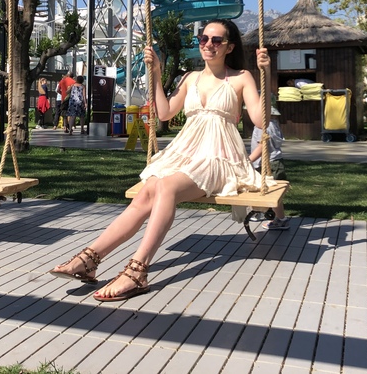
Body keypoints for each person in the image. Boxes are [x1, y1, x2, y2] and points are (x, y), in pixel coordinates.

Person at [49, 18, 272, 302]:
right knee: (148, 191)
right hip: (186, 152)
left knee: (166, 187)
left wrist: (265, 75)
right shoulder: (190, 78)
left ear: (229, 47)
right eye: (203, 39)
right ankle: (91, 258)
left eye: (216, 40)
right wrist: (155, 72)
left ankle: (138, 270)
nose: (208, 45)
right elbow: (165, 113)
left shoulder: (241, 77)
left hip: (219, 157)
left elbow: (261, 121)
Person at [248, 106, 289, 229]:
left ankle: (281, 219)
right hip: (269, 162)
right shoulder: (272, 124)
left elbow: (262, 147)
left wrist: (248, 160)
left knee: (273, 193)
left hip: (269, 164)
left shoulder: (264, 127)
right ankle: (261, 211)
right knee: (262, 189)